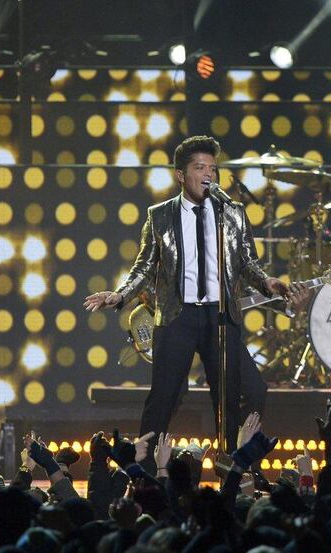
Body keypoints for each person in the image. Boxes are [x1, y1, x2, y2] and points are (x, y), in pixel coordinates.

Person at [84, 135, 290, 456]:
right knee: (164, 397)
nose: (209, 173)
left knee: (248, 391)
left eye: (213, 167)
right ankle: (146, 469)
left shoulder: (233, 213)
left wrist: (268, 283)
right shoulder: (160, 215)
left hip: (220, 315)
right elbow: (144, 266)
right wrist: (120, 296)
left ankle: (236, 465)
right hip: (178, 315)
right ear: (181, 175)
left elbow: (248, 263)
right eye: (200, 167)